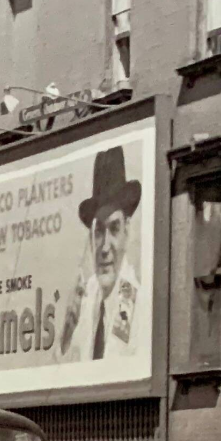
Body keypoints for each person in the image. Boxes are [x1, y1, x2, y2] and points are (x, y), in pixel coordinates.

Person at [59, 145, 145, 364]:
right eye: (98, 232)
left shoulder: (134, 301)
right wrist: (66, 334)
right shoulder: (88, 298)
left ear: (128, 230)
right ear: (90, 239)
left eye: (114, 229)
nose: (105, 246)